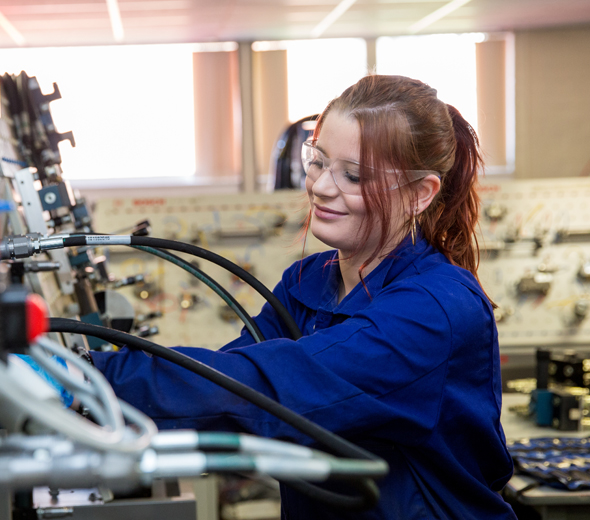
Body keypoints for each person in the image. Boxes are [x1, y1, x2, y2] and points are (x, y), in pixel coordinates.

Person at [90, 75, 517, 519]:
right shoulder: (307, 281)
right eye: (318, 161)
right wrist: (88, 393)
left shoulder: (436, 308)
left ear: (419, 194)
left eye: (353, 175)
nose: (321, 187)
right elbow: (228, 389)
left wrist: (88, 380)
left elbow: (275, 387)